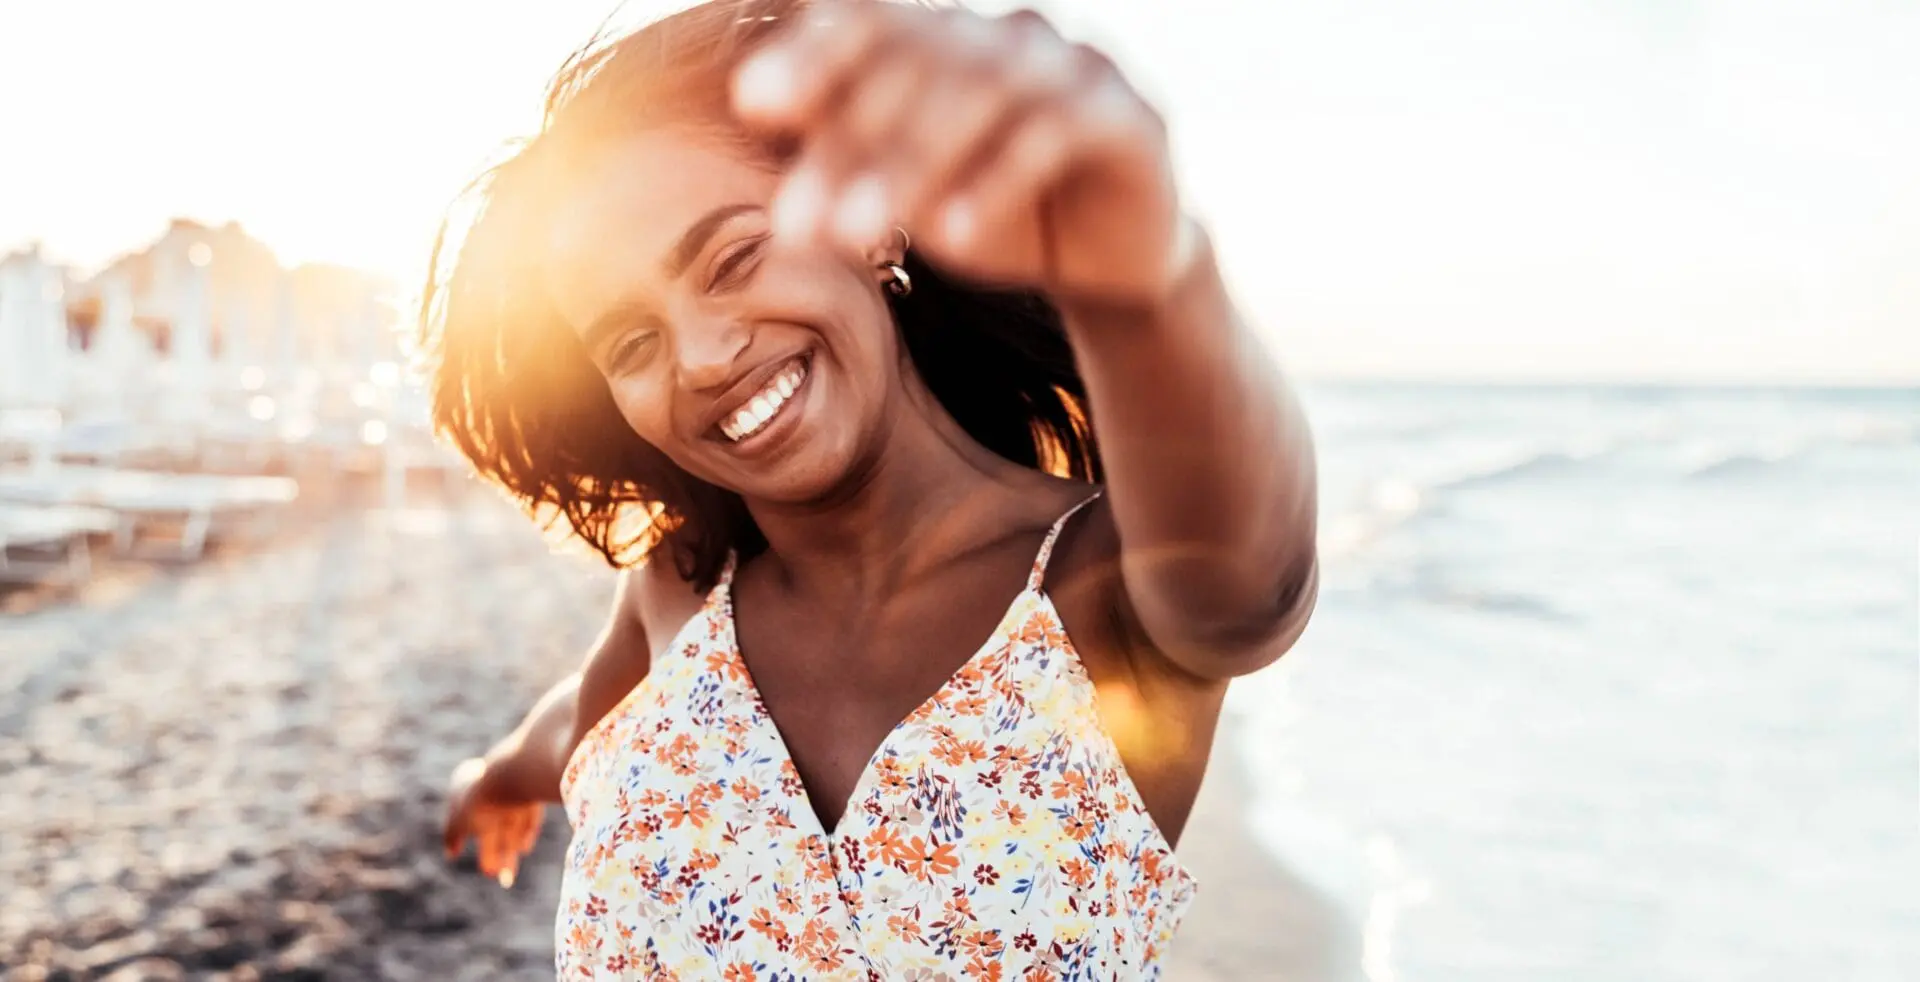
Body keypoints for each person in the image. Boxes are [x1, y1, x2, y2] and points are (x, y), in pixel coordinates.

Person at [429, 0, 1318, 977]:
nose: (704, 354)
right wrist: (494, 776)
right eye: (633, 342)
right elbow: (575, 728)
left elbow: (1254, 590)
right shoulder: (677, 595)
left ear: (870, 222)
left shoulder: (1111, 593)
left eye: (732, 258)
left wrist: (1148, 276)